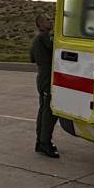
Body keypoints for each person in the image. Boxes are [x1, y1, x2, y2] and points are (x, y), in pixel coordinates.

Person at [30, 14, 59, 158]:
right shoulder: (44, 37)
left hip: (41, 77)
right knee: (49, 112)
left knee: (43, 110)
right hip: (47, 78)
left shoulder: (36, 39)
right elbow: (55, 49)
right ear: (40, 24)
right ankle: (45, 143)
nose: (51, 21)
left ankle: (40, 142)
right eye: (48, 20)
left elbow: (31, 58)